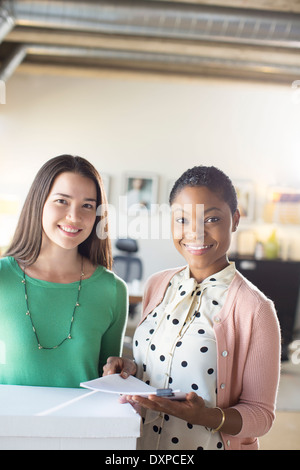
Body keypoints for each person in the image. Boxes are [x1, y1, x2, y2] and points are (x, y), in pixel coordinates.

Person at [103, 165, 281, 451]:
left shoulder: (255, 309)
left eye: (211, 218)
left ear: (234, 220)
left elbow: (261, 415)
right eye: (182, 219)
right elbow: (160, 370)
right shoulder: (157, 285)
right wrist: (131, 370)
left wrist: (207, 416)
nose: (196, 233)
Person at [0, 155, 128, 388]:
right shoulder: (2, 277)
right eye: (62, 201)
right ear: (38, 202)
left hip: (82, 424)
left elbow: (109, 385)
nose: (74, 216)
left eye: (87, 206)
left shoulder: (112, 290)